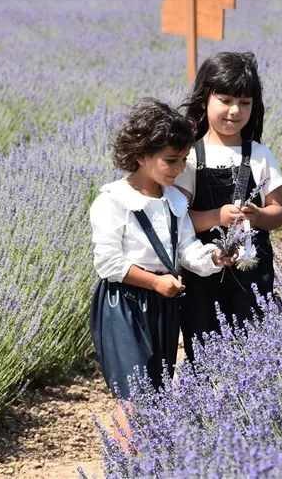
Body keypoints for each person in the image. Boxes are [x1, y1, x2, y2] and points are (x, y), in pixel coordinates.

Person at [89, 98, 233, 451]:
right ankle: (125, 465)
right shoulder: (112, 200)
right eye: (171, 160)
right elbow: (108, 264)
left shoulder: (175, 202)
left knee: (156, 389)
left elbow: (186, 253)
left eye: (183, 160)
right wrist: (154, 281)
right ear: (141, 155)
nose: (178, 168)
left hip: (164, 302)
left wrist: (216, 256)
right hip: (124, 303)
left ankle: (145, 462)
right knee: (133, 392)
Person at [174, 52, 282, 362]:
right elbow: (178, 219)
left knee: (254, 341)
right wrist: (217, 217)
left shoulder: (261, 155)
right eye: (225, 100)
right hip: (202, 272)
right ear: (204, 100)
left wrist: (259, 215)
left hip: (253, 271)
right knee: (204, 342)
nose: (235, 110)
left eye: (245, 102)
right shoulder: (190, 159)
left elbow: (278, 213)